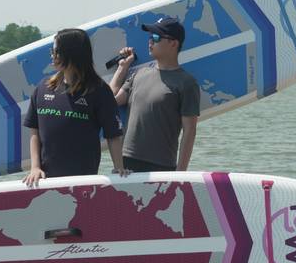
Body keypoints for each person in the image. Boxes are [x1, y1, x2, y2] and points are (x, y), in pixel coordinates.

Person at [23, 28, 126, 186]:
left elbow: (113, 135)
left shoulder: (99, 91)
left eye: (56, 51)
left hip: (83, 184)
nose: (52, 55)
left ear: (71, 54)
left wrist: (119, 168)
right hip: (46, 181)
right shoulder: (43, 88)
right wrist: (35, 167)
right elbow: (34, 132)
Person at [109, 17, 200, 172]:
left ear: (173, 43)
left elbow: (189, 130)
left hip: (161, 166)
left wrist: (180, 174)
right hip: (126, 164)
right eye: (150, 37)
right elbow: (111, 101)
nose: (150, 41)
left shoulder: (186, 83)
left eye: (156, 37)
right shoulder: (139, 73)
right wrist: (122, 67)